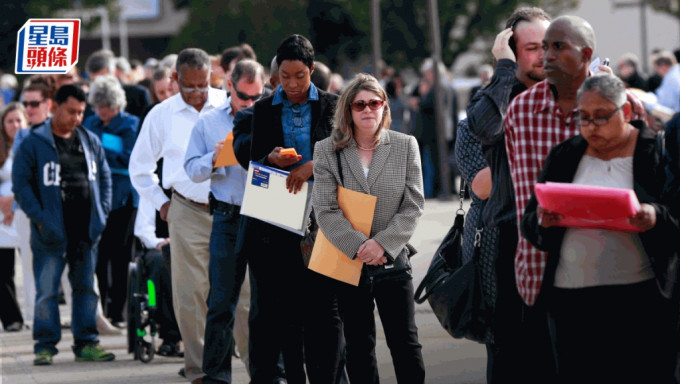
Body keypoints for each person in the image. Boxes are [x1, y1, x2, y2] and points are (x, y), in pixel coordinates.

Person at [521, 73, 677, 383]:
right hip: (572, 300)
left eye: (602, 117)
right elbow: (530, 222)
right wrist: (543, 220)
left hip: (640, 300)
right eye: (584, 118)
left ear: (627, 113)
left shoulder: (655, 151)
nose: (592, 127)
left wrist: (653, 215)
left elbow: (675, 215)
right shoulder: (565, 155)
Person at [504, 16, 646, 307]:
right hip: (537, 270)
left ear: (586, 55)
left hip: (623, 273)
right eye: (544, 47)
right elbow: (519, 196)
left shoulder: (621, 108)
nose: (547, 56)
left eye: (558, 46)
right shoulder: (521, 110)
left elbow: (648, 186)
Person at [232, 34, 343, 384]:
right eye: (285, 77)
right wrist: (270, 159)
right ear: (276, 74)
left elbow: (350, 153)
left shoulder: (332, 105)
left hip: (325, 219)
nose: (292, 84)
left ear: (312, 71)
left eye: (300, 76)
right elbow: (247, 156)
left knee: (325, 311)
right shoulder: (263, 109)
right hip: (276, 222)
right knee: (283, 313)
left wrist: (314, 165)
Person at [462, 7, 556, 382]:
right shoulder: (492, 99)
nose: (543, 56)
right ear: (512, 51)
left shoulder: (568, 97)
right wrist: (503, 72)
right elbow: (484, 132)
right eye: (532, 48)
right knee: (510, 359)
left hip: (562, 247)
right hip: (505, 249)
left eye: (549, 46)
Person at [312, 73, 426, 383]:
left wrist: (382, 245)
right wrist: (361, 246)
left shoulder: (405, 145)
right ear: (348, 110)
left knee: (405, 344)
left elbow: (413, 205)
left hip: (392, 260)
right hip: (350, 262)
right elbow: (324, 209)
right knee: (359, 348)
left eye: (374, 103)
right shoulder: (326, 150)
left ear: (384, 107)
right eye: (359, 104)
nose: (367, 110)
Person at [129, 47, 226, 384]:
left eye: (203, 85)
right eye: (190, 87)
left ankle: (251, 360)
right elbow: (139, 169)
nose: (198, 94)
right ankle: (198, 368)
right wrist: (162, 204)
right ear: (174, 80)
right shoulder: (161, 115)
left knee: (237, 290)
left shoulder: (228, 105)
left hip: (230, 208)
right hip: (185, 209)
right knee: (190, 292)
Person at [12, 84, 114, 365]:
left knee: (86, 288)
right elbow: (21, 186)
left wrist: (102, 214)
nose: (77, 118)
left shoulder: (90, 140)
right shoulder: (33, 142)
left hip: (85, 229)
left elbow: (104, 179)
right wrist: (42, 219)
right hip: (50, 231)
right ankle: (44, 346)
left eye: (81, 112)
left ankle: (87, 342)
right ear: (54, 107)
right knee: (47, 290)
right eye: (71, 111)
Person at [184, 59, 265, 383]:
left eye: (256, 97)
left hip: (264, 214)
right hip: (229, 214)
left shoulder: (271, 114)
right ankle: (216, 375)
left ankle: (271, 373)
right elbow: (191, 169)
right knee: (221, 301)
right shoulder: (208, 122)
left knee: (267, 301)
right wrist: (215, 158)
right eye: (244, 97)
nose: (249, 104)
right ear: (229, 87)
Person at [83, 75, 140, 327]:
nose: (101, 111)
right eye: (97, 106)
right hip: (96, 198)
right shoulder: (90, 122)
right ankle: (101, 310)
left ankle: (119, 312)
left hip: (124, 199)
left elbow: (130, 157)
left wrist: (102, 149)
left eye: (105, 106)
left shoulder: (131, 123)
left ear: (116, 104)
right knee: (99, 255)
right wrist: (109, 149)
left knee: (120, 256)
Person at [133, 195, 183, 357]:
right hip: (160, 246)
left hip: (194, 243)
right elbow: (143, 228)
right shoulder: (152, 190)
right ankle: (171, 335)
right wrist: (159, 242)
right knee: (162, 261)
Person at [0, 102, 28, 332]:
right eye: (10, 121)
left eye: (19, 120)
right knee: (3, 270)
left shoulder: (31, 144)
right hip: (1, 217)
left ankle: (36, 316)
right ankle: (11, 318)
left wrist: (13, 201)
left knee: (31, 267)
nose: (15, 125)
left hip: (24, 210)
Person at [85, 50, 152, 118]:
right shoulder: (88, 99)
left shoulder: (138, 95)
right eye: (95, 81)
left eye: (102, 78)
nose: (100, 84)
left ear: (114, 72)